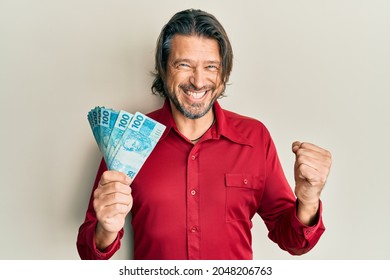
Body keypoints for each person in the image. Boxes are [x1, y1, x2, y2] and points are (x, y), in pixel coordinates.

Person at [77, 9, 332, 260]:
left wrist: (309, 199)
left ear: (223, 74)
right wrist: (105, 230)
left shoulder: (255, 138)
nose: (198, 82)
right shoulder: (127, 142)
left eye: (210, 67)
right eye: (184, 64)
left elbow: (294, 242)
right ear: (164, 70)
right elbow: (89, 252)